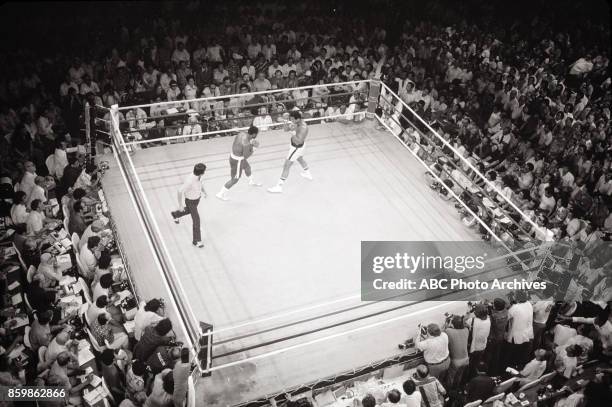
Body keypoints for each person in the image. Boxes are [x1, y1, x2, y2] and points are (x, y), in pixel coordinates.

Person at [268, 110, 313, 193]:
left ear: (297, 119)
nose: (291, 121)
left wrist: (292, 132)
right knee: (300, 158)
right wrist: (285, 120)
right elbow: (285, 130)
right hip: (298, 146)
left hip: (296, 147)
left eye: (292, 119)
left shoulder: (303, 127)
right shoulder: (296, 122)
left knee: (286, 166)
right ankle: (307, 173)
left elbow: (298, 141)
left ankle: (279, 186)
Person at [216, 125, 261, 201]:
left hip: (233, 156)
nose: (257, 135)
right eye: (257, 134)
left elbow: (239, 145)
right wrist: (254, 148)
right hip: (238, 160)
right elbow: (246, 156)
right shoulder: (246, 143)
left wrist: (251, 143)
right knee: (235, 179)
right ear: (253, 134)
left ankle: (251, 181)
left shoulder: (241, 133)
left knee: (247, 167)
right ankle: (220, 194)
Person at [171, 163, 207, 248]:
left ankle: (176, 214)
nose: (205, 172)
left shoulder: (199, 176)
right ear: (201, 172)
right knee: (196, 220)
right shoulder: (190, 181)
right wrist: (180, 205)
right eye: (204, 171)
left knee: (188, 211)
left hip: (197, 199)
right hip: (190, 202)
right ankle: (197, 241)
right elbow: (179, 191)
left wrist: (204, 191)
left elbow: (200, 184)